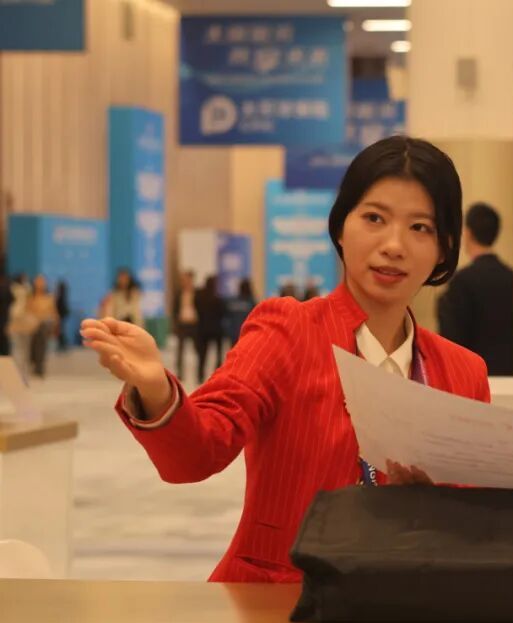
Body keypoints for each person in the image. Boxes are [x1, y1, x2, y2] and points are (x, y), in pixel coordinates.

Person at [80, 136, 489, 584]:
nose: (394, 245)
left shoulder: (462, 372)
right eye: (374, 218)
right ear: (340, 226)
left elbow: (475, 523)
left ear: (445, 247)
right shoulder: (287, 330)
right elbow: (195, 457)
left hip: (407, 604)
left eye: (420, 227)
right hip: (276, 604)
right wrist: (156, 390)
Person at [436, 202, 513, 376]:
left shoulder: (462, 281)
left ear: (468, 233)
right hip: (511, 376)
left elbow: (453, 342)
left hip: (474, 377)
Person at [194, 276, 226, 384]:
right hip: (217, 329)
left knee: (202, 356)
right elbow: (223, 312)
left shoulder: (200, 297)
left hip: (203, 329)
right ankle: (217, 376)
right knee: (218, 354)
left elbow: (197, 308)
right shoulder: (218, 298)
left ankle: (200, 376)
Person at [25, 275, 59, 378]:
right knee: (35, 341)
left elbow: (54, 313)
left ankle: (39, 365)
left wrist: (55, 324)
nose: (40, 284)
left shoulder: (49, 298)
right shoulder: (31, 298)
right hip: (33, 325)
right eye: (38, 281)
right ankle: (35, 362)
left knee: (42, 333)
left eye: (42, 282)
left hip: (44, 325)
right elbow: (27, 312)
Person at [171, 271, 198, 382]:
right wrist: (176, 322)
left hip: (194, 324)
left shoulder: (196, 293)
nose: (185, 282)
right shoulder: (178, 294)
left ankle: (198, 373)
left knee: (197, 349)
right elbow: (174, 309)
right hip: (182, 324)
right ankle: (180, 372)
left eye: (187, 279)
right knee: (180, 350)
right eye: (184, 279)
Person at [224, 278, 257, 348]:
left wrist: (228, 331)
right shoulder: (251, 302)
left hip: (234, 333)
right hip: (246, 334)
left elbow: (227, 318)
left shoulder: (232, 302)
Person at [0, 275, 14, 356]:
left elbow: (12, 299)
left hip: (4, 316)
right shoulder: (6, 285)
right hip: (4, 316)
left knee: (4, 336)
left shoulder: (5, 286)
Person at [55, 280, 70, 351]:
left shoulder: (60, 296)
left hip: (61, 316)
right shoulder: (62, 296)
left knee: (61, 331)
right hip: (61, 316)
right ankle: (62, 345)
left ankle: (62, 345)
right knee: (61, 331)